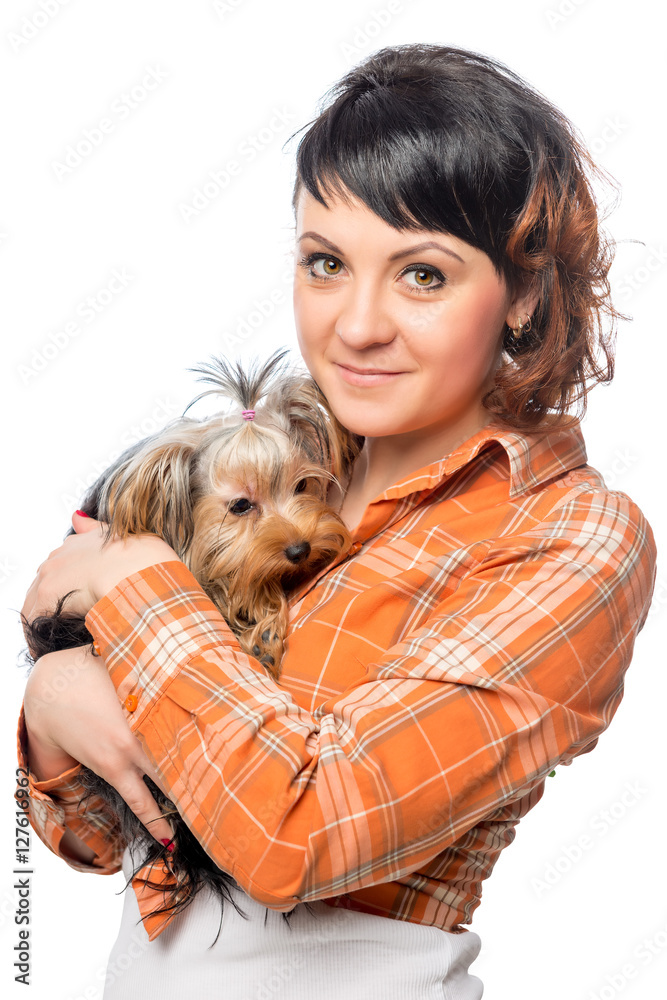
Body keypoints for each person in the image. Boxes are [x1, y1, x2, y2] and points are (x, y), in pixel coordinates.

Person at [19, 43, 656, 999]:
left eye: (423, 276)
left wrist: (123, 575)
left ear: (524, 290)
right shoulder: (273, 468)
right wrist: (50, 701)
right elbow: (106, 838)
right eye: (326, 262)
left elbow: (292, 834)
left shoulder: (568, 539)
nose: (355, 325)